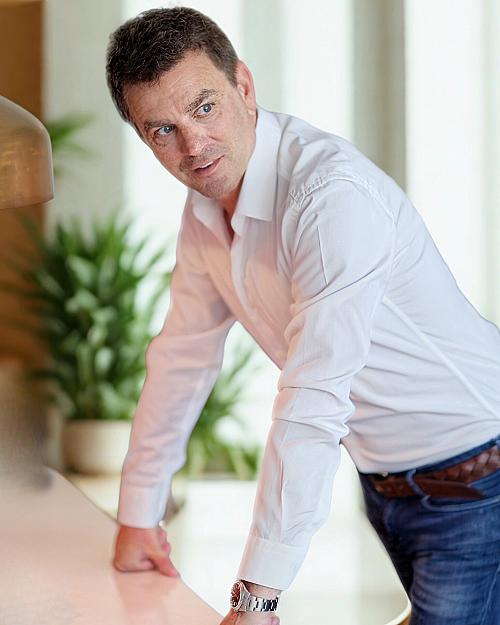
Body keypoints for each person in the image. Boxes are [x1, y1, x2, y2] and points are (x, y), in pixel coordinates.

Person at [105, 7, 500, 625]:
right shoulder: (207, 208)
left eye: (204, 107)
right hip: (388, 482)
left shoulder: (330, 199)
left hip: (479, 478)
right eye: (162, 130)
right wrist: (138, 513)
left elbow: (311, 399)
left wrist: (257, 598)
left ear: (243, 84)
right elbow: (182, 356)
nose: (193, 145)